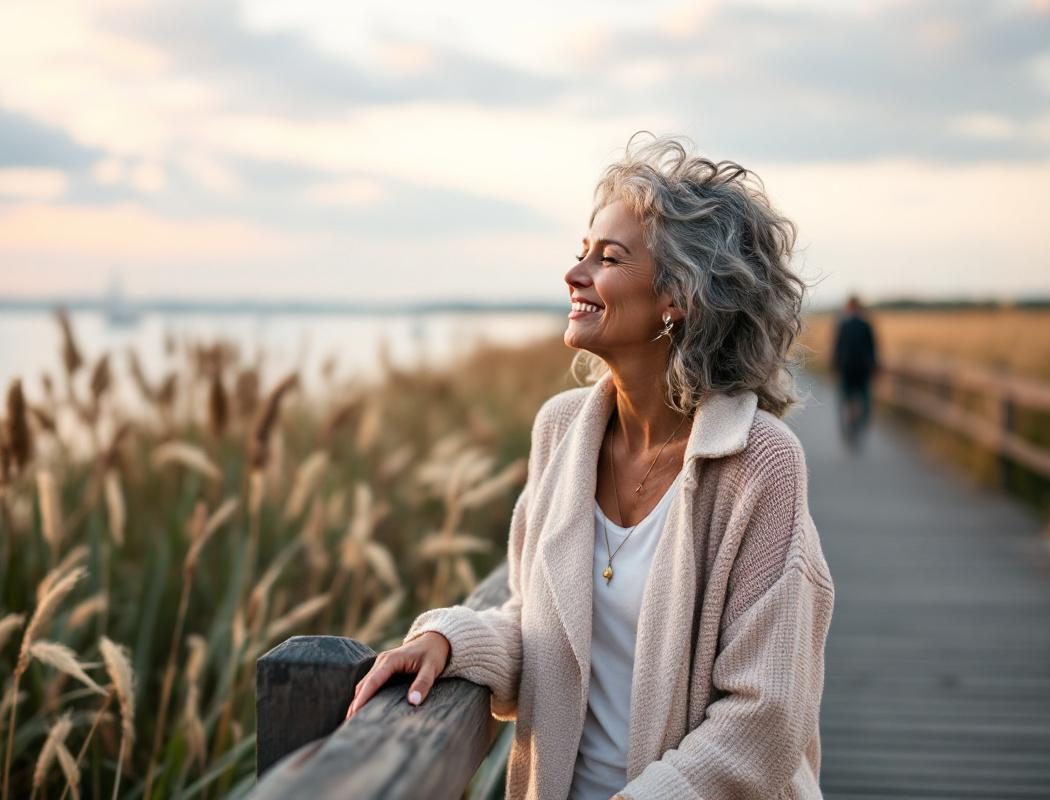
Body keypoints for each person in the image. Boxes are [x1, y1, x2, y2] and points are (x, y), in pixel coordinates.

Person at [346, 133, 835, 799]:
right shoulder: (561, 432)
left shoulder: (759, 464)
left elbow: (766, 718)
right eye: (582, 252)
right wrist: (449, 642)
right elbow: (539, 632)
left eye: (607, 258)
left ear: (678, 297)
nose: (574, 274)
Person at [830, 294, 878, 450]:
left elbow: (837, 347)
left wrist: (834, 366)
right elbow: (872, 348)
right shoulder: (866, 324)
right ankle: (862, 423)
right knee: (864, 399)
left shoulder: (843, 324)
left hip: (847, 368)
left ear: (849, 307)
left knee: (845, 398)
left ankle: (846, 427)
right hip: (863, 369)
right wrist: (873, 367)